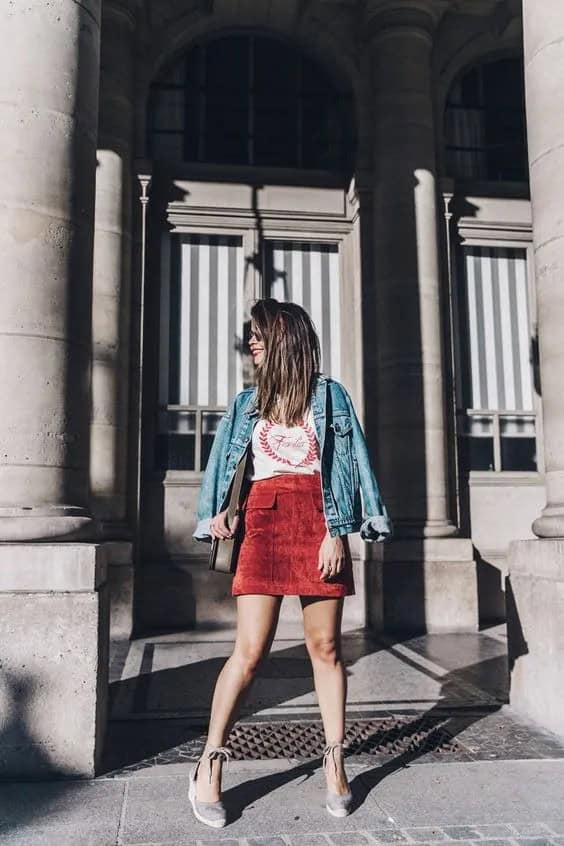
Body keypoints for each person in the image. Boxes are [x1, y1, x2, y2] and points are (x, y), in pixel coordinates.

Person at [190, 298, 392, 828]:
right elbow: (225, 468)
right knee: (250, 652)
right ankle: (210, 762)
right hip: (262, 525)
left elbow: (355, 466)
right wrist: (217, 515)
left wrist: (339, 531)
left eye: (258, 334)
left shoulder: (331, 398)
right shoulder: (245, 404)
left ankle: (334, 760)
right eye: (250, 336)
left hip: (318, 524)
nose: (250, 343)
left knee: (325, 648)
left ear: (284, 337)